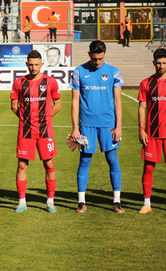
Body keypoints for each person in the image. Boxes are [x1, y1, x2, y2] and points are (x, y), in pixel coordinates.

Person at [70, 41, 124, 213]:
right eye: (94, 59)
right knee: (84, 161)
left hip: (108, 125)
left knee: (112, 160)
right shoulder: (79, 72)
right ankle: (81, 201)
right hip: (87, 126)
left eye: (100, 59)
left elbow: (117, 101)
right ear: (89, 55)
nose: (97, 62)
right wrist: (75, 128)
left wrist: (119, 126)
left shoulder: (114, 72)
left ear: (104, 54)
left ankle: (116, 201)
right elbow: (75, 101)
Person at [11, 51, 61, 212]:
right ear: (26, 64)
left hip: (45, 131)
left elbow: (58, 104)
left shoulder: (50, 82)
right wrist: (26, 120)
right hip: (25, 132)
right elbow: (14, 106)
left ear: (42, 64)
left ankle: (50, 202)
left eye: (36, 64)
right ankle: (22, 202)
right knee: (22, 166)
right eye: (31, 64)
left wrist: (45, 118)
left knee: (49, 165)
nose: (33, 67)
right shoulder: (19, 83)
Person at [137, 49, 166, 214]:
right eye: (158, 63)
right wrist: (141, 129)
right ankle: (146, 203)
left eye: (164, 63)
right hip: (152, 134)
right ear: (153, 63)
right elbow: (142, 107)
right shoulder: (146, 83)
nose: (161, 66)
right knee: (149, 168)